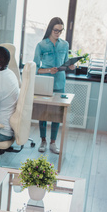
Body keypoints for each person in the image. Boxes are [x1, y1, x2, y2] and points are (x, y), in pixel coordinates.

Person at [33, 17, 75, 154]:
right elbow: (35, 68)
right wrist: (48, 70)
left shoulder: (65, 45)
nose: (58, 33)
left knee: (57, 113)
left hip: (60, 82)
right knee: (43, 113)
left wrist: (71, 65)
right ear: (50, 29)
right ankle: (43, 140)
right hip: (45, 82)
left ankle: (53, 142)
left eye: (60, 31)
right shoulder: (41, 45)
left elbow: (66, 63)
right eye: (56, 30)